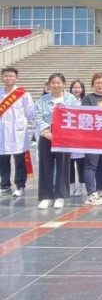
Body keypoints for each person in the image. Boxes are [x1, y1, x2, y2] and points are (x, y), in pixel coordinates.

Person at [34, 73, 78, 209]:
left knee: (63, 166)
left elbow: (75, 115)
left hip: (64, 137)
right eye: (53, 82)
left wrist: (63, 132)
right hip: (46, 135)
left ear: (64, 84)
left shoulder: (71, 99)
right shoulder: (43, 100)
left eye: (58, 82)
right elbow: (38, 116)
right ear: (49, 84)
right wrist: (45, 131)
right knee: (45, 166)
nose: (56, 85)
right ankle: (46, 197)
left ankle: (60, 196)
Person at [0, 67, 35, 198]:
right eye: (6, 76)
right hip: (2, 132)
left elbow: (31, 113)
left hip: (18, 133)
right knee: (3, 160)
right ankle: (5, 186)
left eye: (11, 76)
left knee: (20, 160)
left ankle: (20, 186)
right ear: (2, 78)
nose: (8, 78)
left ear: (16, 78)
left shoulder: (23, 94)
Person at [82, 73, 102, 206]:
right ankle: (91, 193)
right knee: (91, 165)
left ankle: (100, 190)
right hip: (92, 137)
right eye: (97, 83)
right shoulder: (88, 98)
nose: (100, 85)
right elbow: (84, 116)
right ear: (93, 84)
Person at [68, 79, 86, 196]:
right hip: (69, 135)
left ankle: (80, 187)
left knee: (81, 162)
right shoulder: (66, 101)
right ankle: (71, 186)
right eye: (75, 87)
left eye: (79, 87)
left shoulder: (85, 101)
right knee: (69, 163)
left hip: (81, 136)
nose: (77, 89)